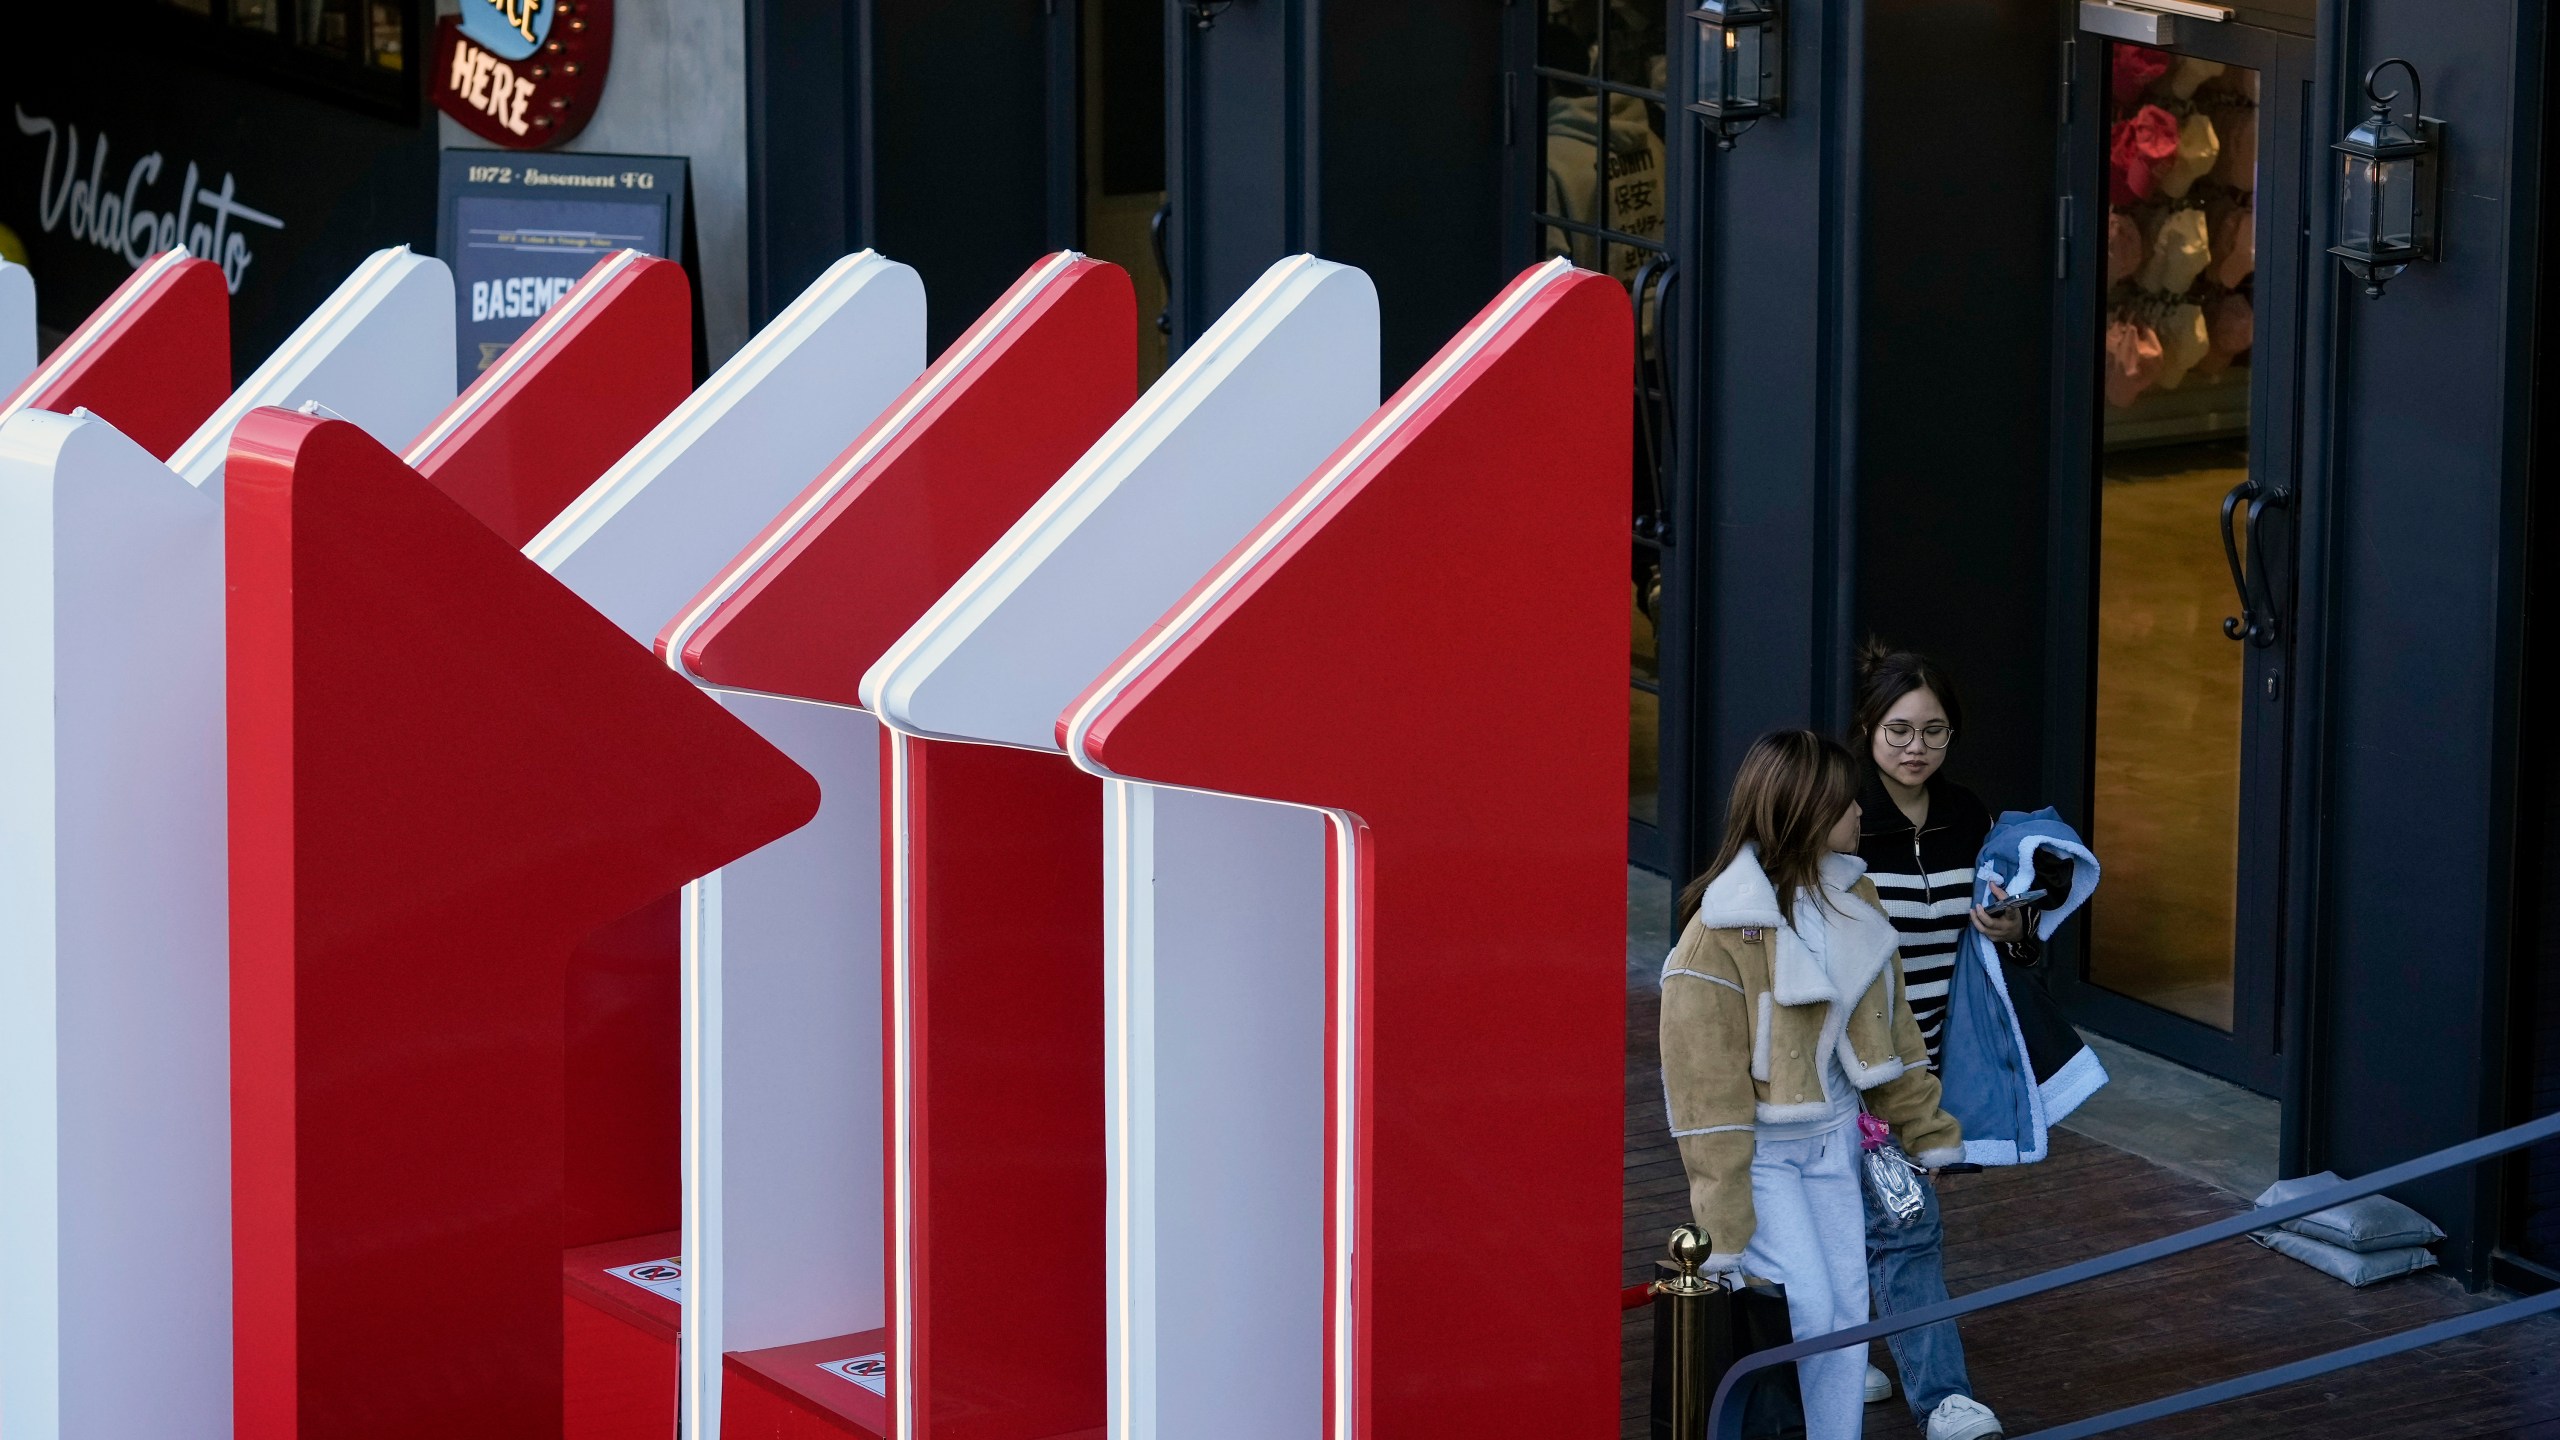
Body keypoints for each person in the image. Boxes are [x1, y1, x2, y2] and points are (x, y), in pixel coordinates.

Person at [1660, 730, 1964, 1440]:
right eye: (1844, 799)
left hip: (1836, 1141)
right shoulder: (1716, 935)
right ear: (1802, 810)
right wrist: (1722, 1224)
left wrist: (1928, 1133)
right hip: (1763, 1155)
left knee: (1846, 1321)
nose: (1861, 809)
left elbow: (1895, 1034)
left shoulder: (1852, 893)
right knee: (1810, 1312)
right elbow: (1705, 1099)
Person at [1849, 641, 2021, 1440]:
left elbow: (2002, 944)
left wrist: (2014, 927)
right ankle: (1943, 1398)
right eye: (1899, 731)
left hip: (1929, 1061)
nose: (1916, 748)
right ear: (1867, 729)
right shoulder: (1839, 818)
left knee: (1880, 1222)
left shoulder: (1970, 814)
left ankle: (1836, 1358)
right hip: (1845, 1063)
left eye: (1934, 732)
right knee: (1901, 1222)